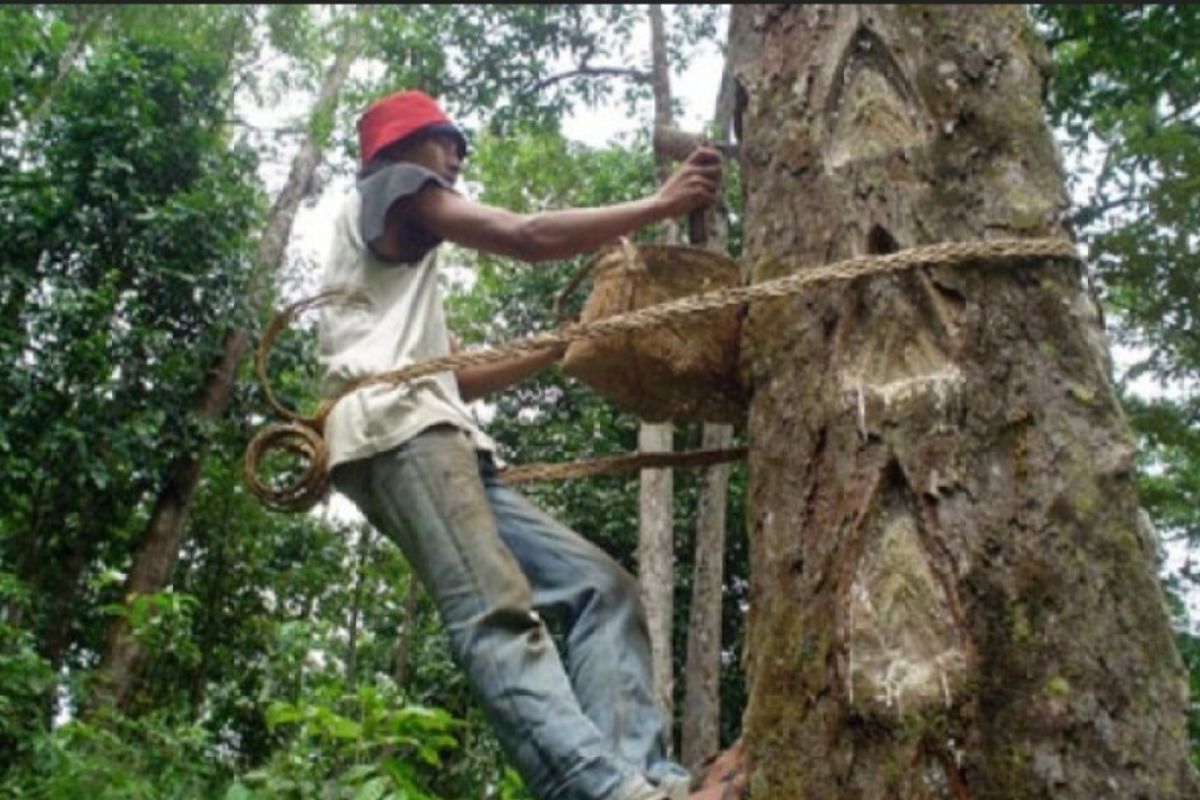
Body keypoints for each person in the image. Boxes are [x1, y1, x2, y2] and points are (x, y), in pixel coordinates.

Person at [317, 89, 724, 800]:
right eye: (445, 139)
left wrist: (569, 343)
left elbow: (462, 377)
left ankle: (642, 775)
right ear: (401, 148)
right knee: (494, 615)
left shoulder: (398, 267)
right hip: (399, 432)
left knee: (603, 588)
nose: (457, 155)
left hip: (441, 432)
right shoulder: (395, 189)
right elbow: (527, 235)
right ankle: (602, 792)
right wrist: (660, 205)